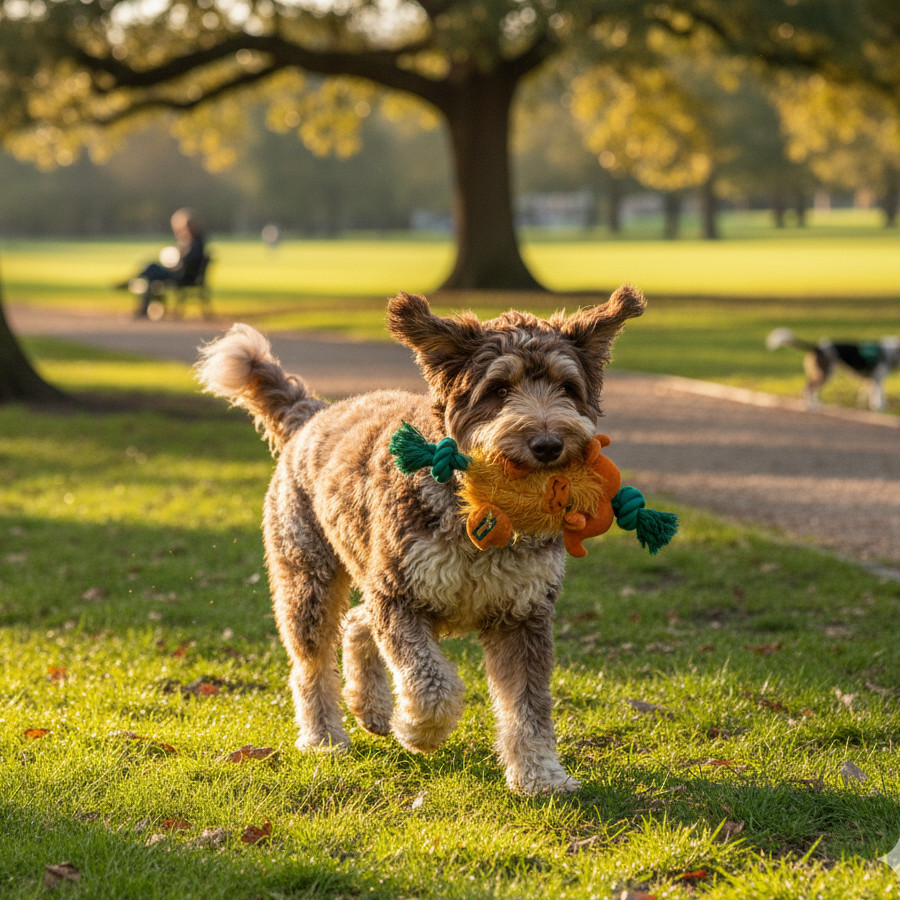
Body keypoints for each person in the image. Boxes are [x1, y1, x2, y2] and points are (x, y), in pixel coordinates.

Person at [119, 209, 207, 319]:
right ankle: (146, 304)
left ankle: (134, 289)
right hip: (180, 273)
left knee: (151, 269)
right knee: (150, 272)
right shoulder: (190, 241)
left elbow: (187, 261)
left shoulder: (195, 242)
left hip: (182, 276)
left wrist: (179, 254)